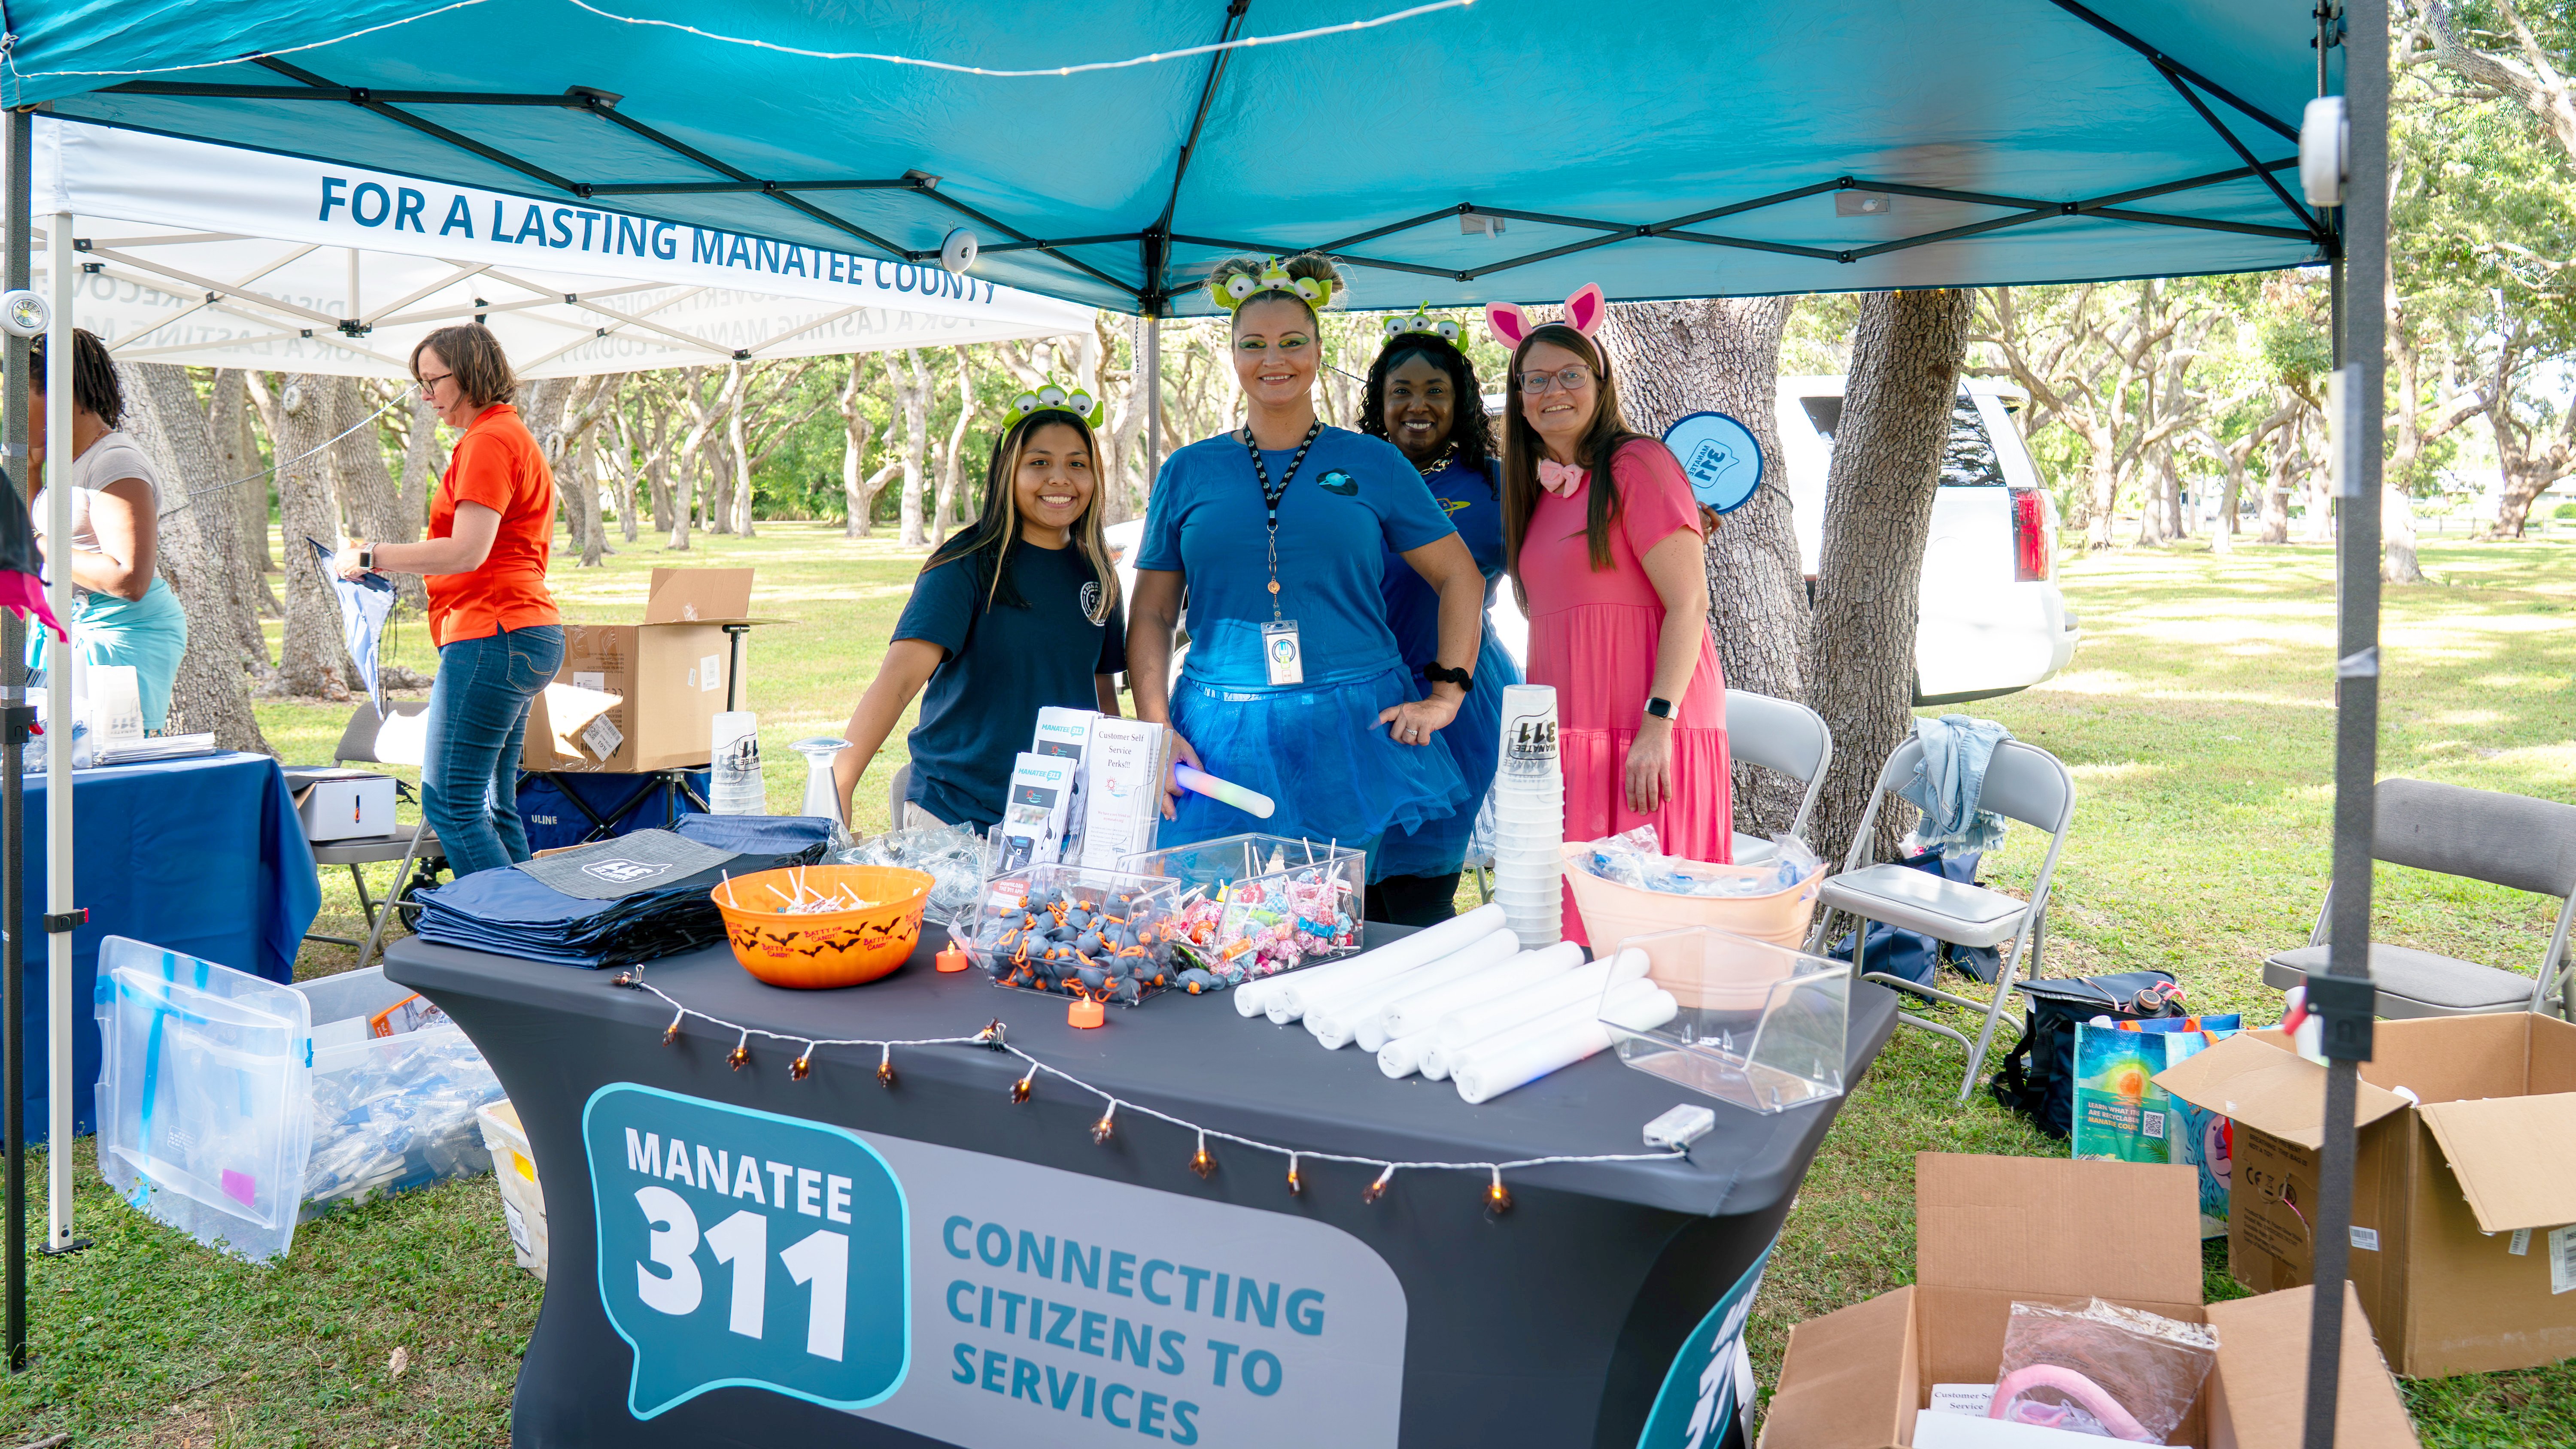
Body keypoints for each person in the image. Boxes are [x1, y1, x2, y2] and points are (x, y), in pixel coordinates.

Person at [1129, 254, 1487, 879]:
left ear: (1319, 352)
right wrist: (1155, 729)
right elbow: (1154, 612)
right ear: (1233, 356)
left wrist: (1447, 694)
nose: (1275, 360)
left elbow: (1461, 576)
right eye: (1255, 345)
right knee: (1209, 929)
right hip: (1216, 730)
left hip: (1352, 728)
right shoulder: (1187, 471)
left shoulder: (1374, 462)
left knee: (1328, 931)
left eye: (1293, 342)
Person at [1491, 285, 1731, 946]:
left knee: (1647, 927)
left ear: (1600, 382)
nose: (1553, 391)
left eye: (1571, 374)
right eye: (1534, 379)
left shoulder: (1638, 464)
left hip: (1644, 728)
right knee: (1576, 927)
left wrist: (1657, 728)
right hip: (1574, 733)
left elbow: (1690, 603)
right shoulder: (1534, 490)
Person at [830, 393, 1126, 831]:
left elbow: (1101, 695)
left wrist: (1114, 786)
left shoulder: (1099, 573)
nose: (1060, 478)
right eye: (1039, 463)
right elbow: (897, 682)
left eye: (1077, 464)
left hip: (1060, 825)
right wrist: (840, 785)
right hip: (957, 818)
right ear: (1008, 471)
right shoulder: (965, 564)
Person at [335, 323, 561, 877]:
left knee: (451, 804)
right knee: (493, 803)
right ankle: (536, 933)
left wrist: (372, 558)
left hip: (494, 632)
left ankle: (503, 935)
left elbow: (466, 551)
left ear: (470, 374)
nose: (426, 396)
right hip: (521, 631)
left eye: (432, 381)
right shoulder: (506, 435)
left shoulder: (488, 440)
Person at [1355, 313, 1525, 925]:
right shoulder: (1344, 477)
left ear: (1462, 403)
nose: (1417, 405)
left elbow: (1573, 545)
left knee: (1418, 888)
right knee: (1351, 884)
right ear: (1378, 402)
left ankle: (1420, 999)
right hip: (1359, 698)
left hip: (1457, 696)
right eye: (1401, 391)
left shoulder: (1496, 484)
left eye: (1435, 392)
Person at [26, 328, 188, 730]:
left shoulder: (114, 463)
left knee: (100, 762)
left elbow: (127, 579)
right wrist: (30, 469)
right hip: (70, 624)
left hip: (118, 630)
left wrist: (31, 543)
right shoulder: (67, 458)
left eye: (16, 396)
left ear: (58, 393)